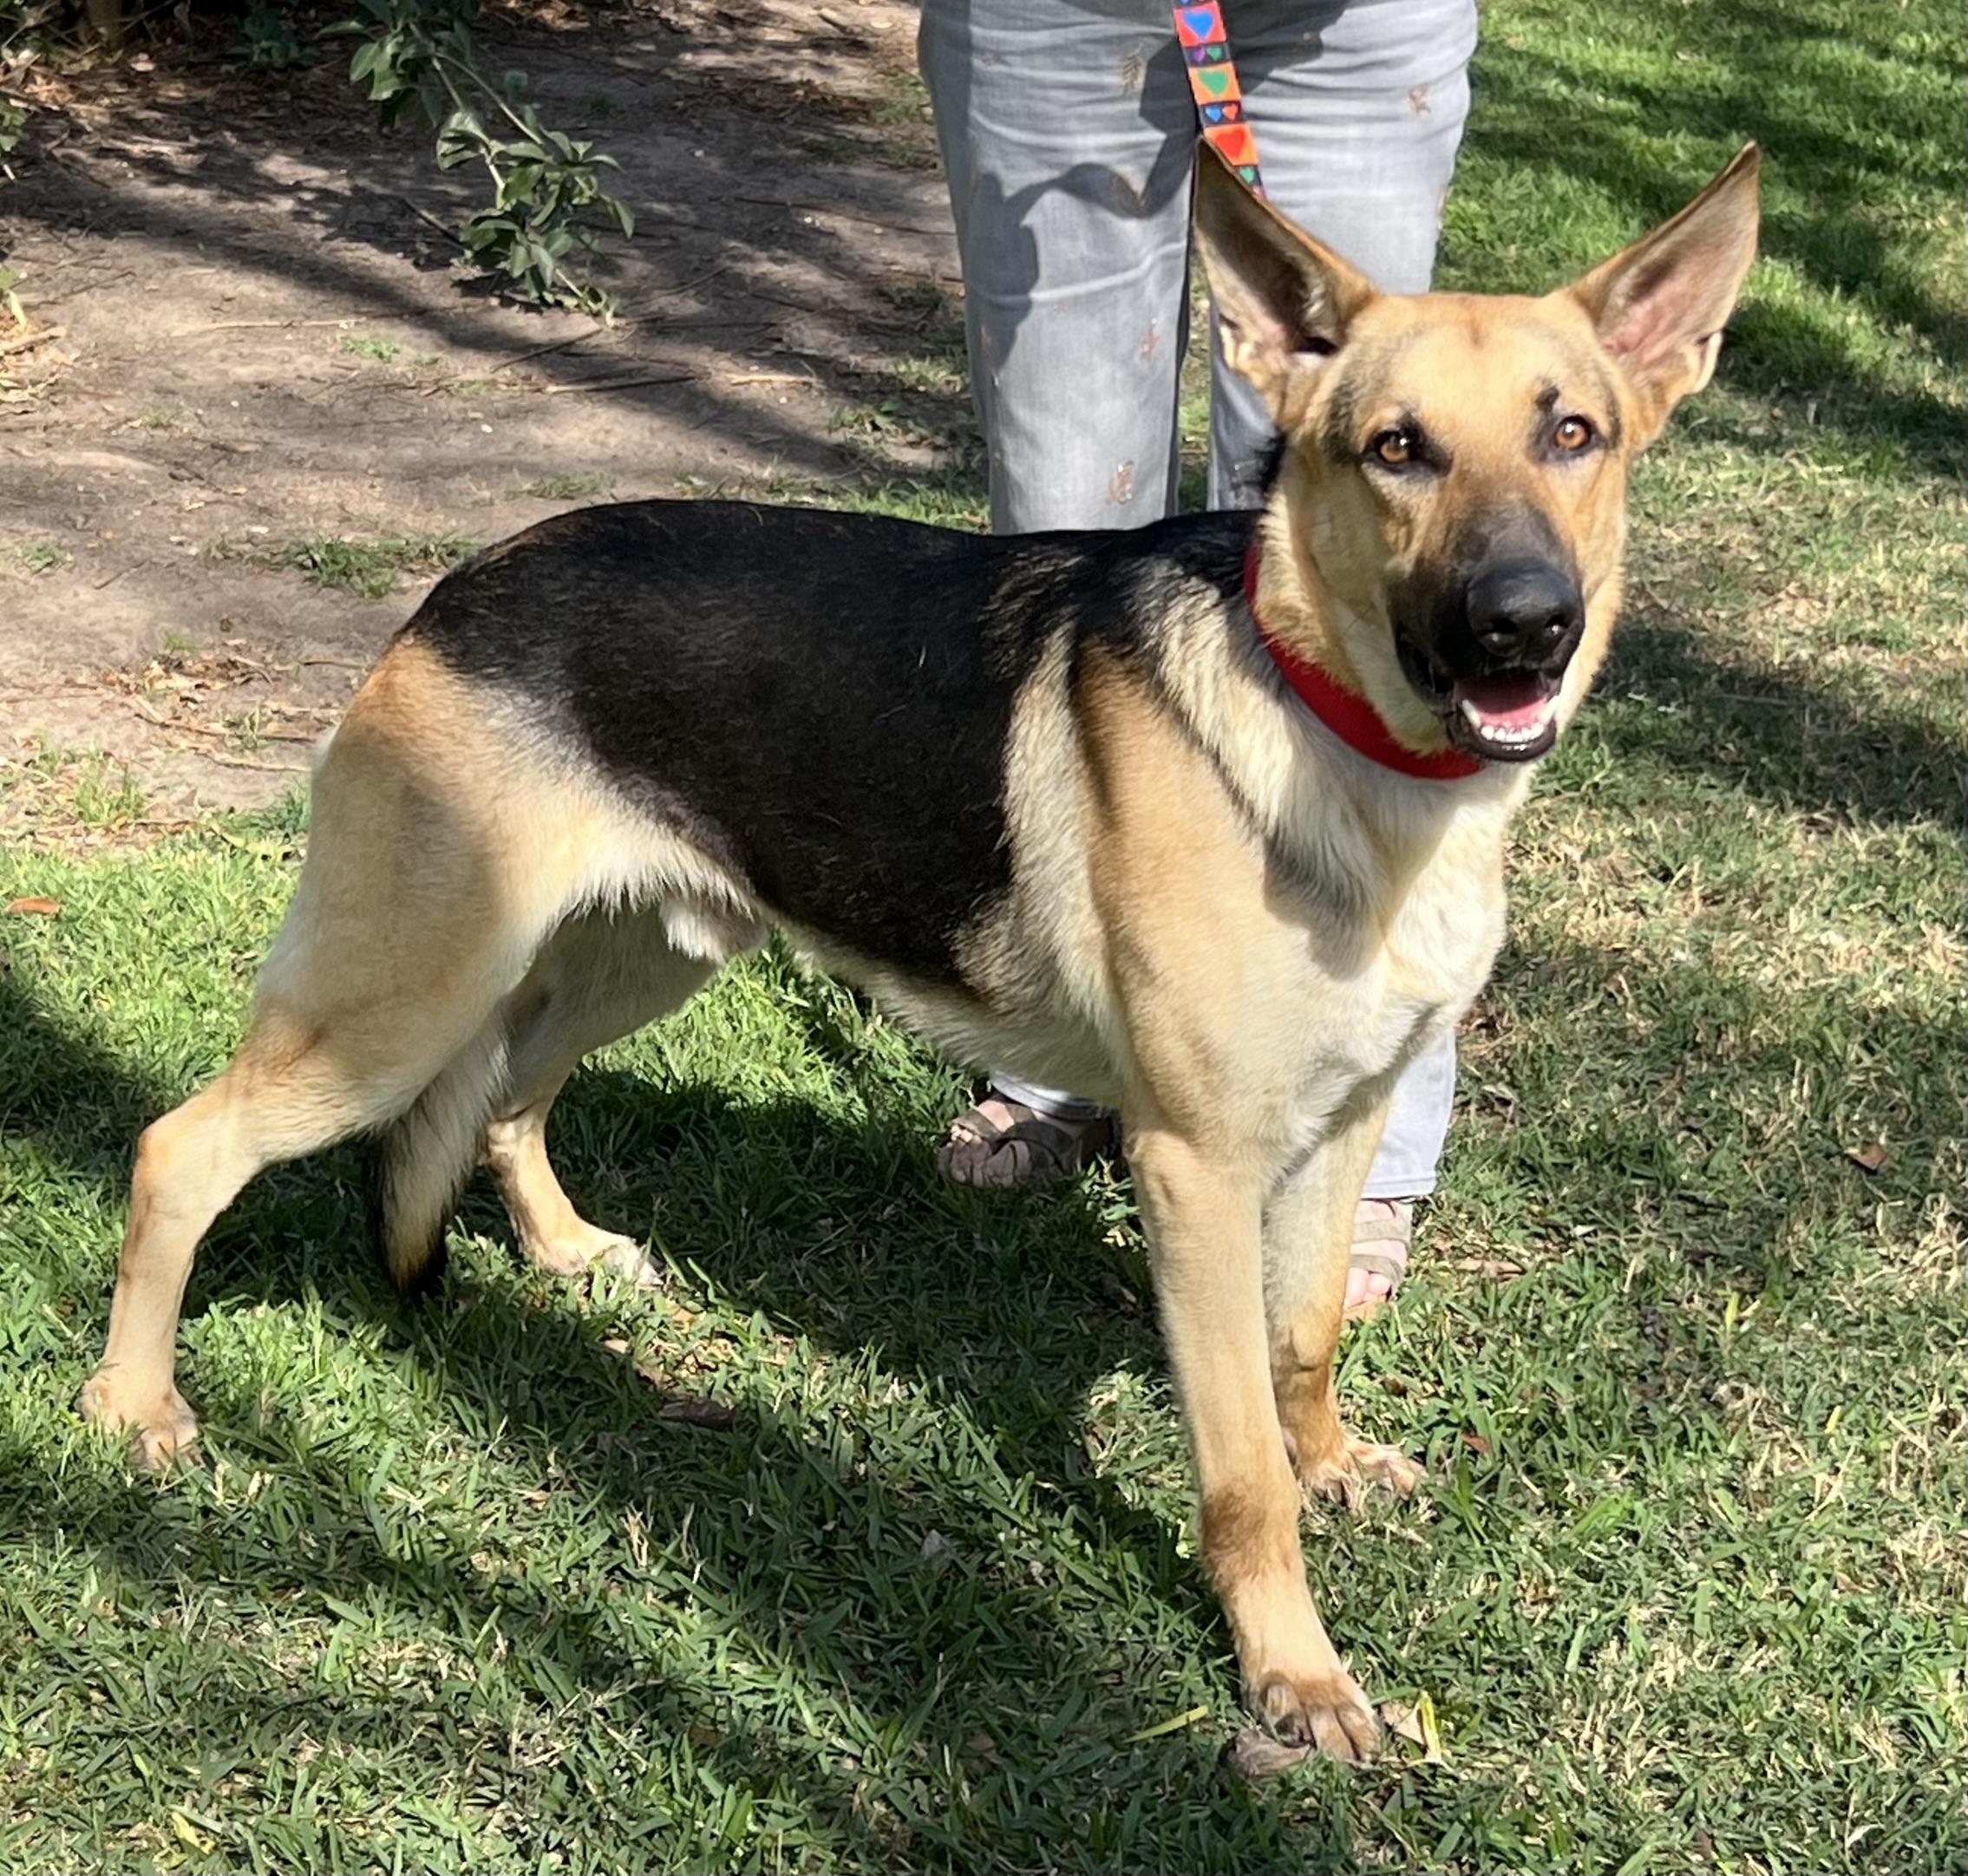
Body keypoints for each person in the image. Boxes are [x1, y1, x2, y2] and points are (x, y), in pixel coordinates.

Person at [917, 0, 1479, 1315]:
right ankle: (1067, 1046)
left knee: (1358, 516)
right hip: (1052, 20)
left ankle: (1360, 1131)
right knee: (1066, 529)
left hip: (1349, 26)